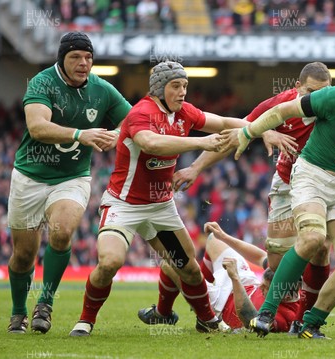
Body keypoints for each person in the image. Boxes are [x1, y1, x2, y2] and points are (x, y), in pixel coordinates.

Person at [221, 61, 335, 339]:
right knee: (312, 238)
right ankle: (267, 313)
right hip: (311, 172)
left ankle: (310, 323)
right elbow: (284, 110)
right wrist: (248, 132)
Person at [151, 62, 333, 330]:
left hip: (322, 184)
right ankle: (193, 303)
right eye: (310, 92)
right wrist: (195, 167)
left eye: (322, 93)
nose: (315, 100)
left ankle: (305, 322)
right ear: (296, 88)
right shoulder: (278, 107)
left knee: (320, 247)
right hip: (286, 185)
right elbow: (236, 136)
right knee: (274, 263)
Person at [68, 61, 244, 336]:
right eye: (176, 86)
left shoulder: (185, 112)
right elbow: (151, 143)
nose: (183, 91)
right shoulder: (141, 112)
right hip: (123, 205)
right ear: (159, 89)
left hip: (161, 207)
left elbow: (221, 122)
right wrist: (200, 142)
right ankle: (85, 320)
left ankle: (207, 320)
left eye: (185, 85)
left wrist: (258, 129)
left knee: (190, 271)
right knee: (110, 262)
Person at [7, 32, 131, 334]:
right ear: (62, 59)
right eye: (76, 57)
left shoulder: (102, 90)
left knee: (62, 231)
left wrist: (116, 135)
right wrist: (80, 134)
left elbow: (134, 122)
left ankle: (45, 305)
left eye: (88, 57)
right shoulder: (42, 82)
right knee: (24, 255)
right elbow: (37, 127)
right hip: (29, 177)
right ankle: (19, 311)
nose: (83, 63)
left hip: (72, 177)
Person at [138, 222, 302, 332]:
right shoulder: (287, 278)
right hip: (245, 282)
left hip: (224, 302)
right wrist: (224, 236)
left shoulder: (284, 318)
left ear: (285, 294)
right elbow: (261, 257)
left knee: (170, 264)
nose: (262, 287)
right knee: (213, 239)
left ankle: (167, 313)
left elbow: (249, 321)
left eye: (265, 288)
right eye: (264, 284)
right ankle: (200, 293)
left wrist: (235, 278)